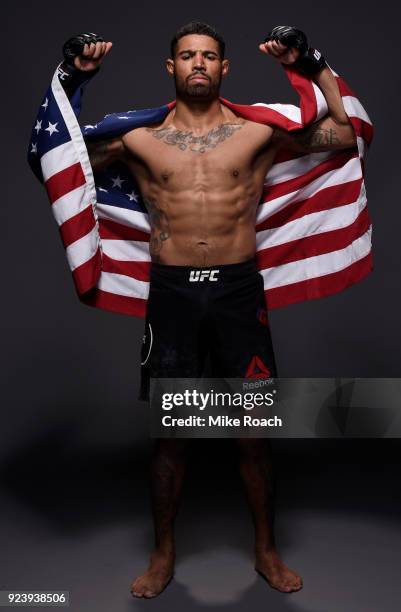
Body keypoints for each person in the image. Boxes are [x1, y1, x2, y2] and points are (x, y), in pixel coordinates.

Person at [32, 22, 364, 598]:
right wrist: (74, 78)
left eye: (209, 56)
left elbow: (341, 133)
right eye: (187, 56)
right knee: (172, 435)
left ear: (225, 68)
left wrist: (310, 63)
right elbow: (55, 156)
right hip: (174, 295)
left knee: (253, 432)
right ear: (172, 68)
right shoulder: (139, 139)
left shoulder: (259, 134)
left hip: (238, 291)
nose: (199, 64)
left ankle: (265, 550)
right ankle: (163, 555)